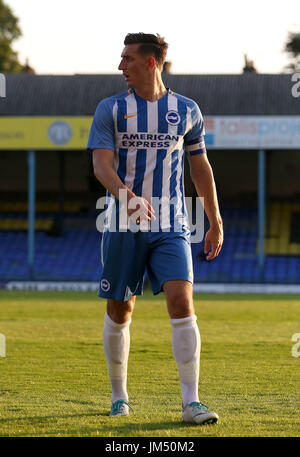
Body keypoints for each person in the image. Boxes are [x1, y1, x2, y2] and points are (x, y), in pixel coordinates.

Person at [87, 33, 223, 425]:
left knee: (182, 302)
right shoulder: (111, 109)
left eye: (127, 58)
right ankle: (119, 397)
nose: (120, 66)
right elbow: (101, 165)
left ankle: (191, 402)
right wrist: (126, 197)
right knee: (120, 309)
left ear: (151, 63)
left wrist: (215, 222)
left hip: (172, 224)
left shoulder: (187, 110)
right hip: (121, 223)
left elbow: (200, 168)